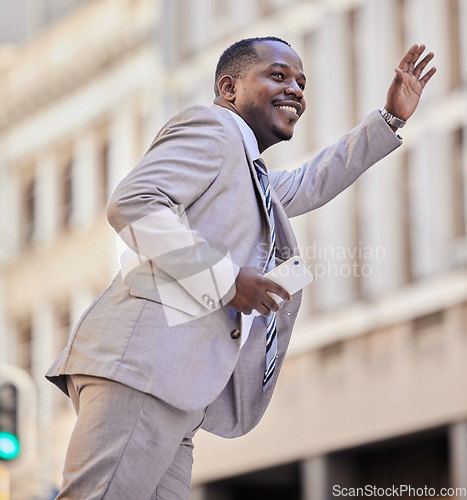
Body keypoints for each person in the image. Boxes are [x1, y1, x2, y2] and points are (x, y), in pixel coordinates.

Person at [46, 37, 436, 499]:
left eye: (301, 82)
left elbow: (312, 181)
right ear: (229, 88)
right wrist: (226, 280)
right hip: (146, 369)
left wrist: (390, 119)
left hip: (179, 388)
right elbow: (134, 203)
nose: (295, 89)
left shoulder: (250, 172)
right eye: (278, 75)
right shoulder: (214, 126)